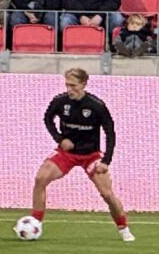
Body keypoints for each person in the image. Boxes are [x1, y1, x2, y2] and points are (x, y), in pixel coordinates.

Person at [28, 68, 133, 242]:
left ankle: (123, 228)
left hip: (91, 155)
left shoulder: (96, 106)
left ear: (83, 84)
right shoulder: (60, 102)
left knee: (107, 194)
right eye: (67, 85)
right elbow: (47, 119)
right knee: (40, 179)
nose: (69, 89)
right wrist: (60, 139)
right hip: (67, 153)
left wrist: (106, 161)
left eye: (73, 85)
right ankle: (35, 223)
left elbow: (110, 133)